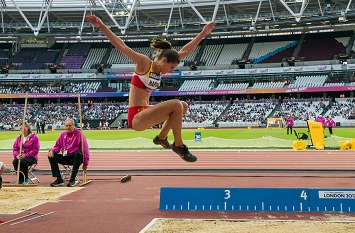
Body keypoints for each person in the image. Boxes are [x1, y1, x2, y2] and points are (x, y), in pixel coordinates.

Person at [86, 14, 215, 162]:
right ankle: (178, 145)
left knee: (183, 106)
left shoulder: (161, 67)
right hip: (136, 117)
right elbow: (121, 46)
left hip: (147, 112)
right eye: (171, 67)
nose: (172, 71)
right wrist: (101, 26)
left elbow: (185, 51)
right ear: (164, 60)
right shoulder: (144, 64)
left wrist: (202, 34)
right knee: (176, 104)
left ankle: (161, 137)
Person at [48, 119, 90, 187]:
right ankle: (58, 179)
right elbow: (57, 146)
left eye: (70, 125)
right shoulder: (62, 135)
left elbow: (85, 150)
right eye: (66, 126)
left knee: (77, 154)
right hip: (66, 156)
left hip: (76, 158)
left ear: (73, 126)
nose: (68, 127)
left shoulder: (79, 135)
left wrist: (86, 163)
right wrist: (52, 151)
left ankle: (72, 179)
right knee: (51, 155)